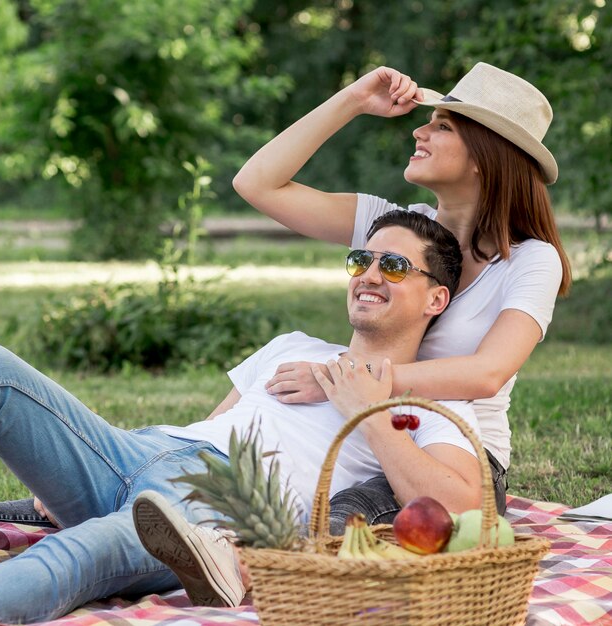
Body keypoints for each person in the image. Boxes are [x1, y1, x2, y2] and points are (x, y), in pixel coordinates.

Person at [0, 211, 477, 622]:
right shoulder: (292, 346)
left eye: (392, 266)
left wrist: (368, 409)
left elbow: (459, 505)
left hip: (223, 505)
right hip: (144, 453)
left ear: (436, 298)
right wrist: (74, 460)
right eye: (360, 261)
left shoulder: (435, 400)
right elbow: (211, 428)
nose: (368, 276)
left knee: (80, 551)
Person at [232, 61, 572, 530]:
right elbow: (256, 183)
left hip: (453, 454)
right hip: (362, 431)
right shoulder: (394, 230)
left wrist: (344, 379)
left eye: (442, 126)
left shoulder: (531, 259)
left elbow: (487, 373)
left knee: (337, 522)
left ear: (484, 156)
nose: (419, 132)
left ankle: (260, 572)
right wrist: (353, 100)